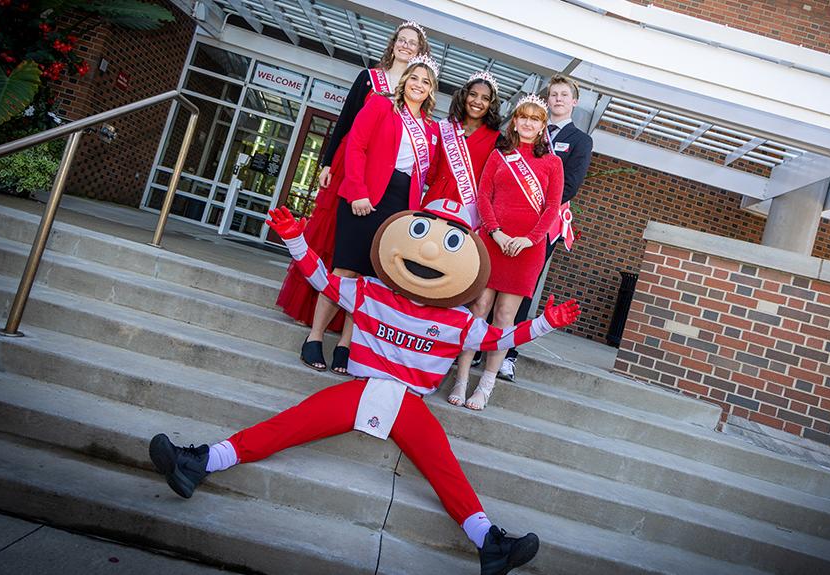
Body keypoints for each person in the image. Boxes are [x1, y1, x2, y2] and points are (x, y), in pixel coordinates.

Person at [148, 201, 580, 575]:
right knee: (289, 425)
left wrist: (543, 324)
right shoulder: (370, 291)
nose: (428, 252)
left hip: (409, 404)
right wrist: (297, 241)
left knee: (444, 467)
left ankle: (491, 543)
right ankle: (199, 462)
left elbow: (498, 340)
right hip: (360, 389)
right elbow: (324, 281)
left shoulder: (460, 322)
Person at [275, 21, 431, 375]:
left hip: (396, 202)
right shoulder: (374, 86)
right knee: (343, 263)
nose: (406, 47)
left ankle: (346, 344)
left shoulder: (427, 125)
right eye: (402, 40)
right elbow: (349, 126)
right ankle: (315, 336)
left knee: (370, 276)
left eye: (413, 43)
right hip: (360, 179)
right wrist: (330, 162)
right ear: (393, 45)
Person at [448, 95, 563, 411]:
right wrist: (496, 232)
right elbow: (484, 196)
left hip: (527, 249)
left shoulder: (553, 163)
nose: (528, 123)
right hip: (492, 242)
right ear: (515, 121)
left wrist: (529, 240)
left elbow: (553, 207)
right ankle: (460, 379)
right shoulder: (500, 155)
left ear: (542, 127)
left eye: (535, 119)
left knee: (504, 316)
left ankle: (486, 385)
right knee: (479, 308)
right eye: (523, 117)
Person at [498, 75, 593, 383]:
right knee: (495, 279)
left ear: (574, 102)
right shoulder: (530, 131)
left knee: (524, 286)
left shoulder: (580, 141)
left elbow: (571, 185)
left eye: (565, 95)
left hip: (544, 223)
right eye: (553, 94)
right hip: (508, 216)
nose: (558, 99)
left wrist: (535, 206)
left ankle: (508, 354)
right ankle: (484, 345)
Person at [422, 70, 503, 230]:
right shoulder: (444, 127)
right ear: (464, 96)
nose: (477, 101)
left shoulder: (498, 139)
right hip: (436, 200)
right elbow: (430, 171)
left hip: (468, 208)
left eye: (485, 98)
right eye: (473, 94)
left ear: (491, 105)